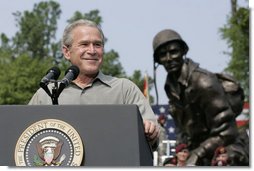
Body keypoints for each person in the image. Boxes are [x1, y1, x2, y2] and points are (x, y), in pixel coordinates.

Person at [29, 19, 160, 150]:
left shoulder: (124, 90)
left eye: (97, 44)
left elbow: (156, 133)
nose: (92, 51)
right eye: (84, 44)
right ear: (67, 52)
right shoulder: (47, 93)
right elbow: (25, 137)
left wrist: (151, 131)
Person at [152, 29, 249, 166]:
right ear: (158, 61)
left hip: (226, 151)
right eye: (163, 55)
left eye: (173, 52)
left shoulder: (204, 82)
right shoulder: (171, 87)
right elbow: (183, 133)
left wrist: (197, 154)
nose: (169, 59)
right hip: (198, 152)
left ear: (183, 51)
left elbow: (227, 132)